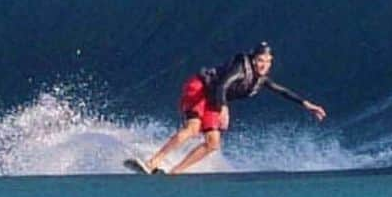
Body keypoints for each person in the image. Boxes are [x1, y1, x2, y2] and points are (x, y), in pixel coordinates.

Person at [138, 42, 327, 174]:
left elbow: (282, 91)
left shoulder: (260, 80)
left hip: (214, 100)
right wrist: (224, 109)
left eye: (267, 61)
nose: (264, 64)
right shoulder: (240, 67)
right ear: (253, 59)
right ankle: (153, 162)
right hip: (201, 88)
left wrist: (307, 104)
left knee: (213, 143)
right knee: (193, 128)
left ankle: (175, 172)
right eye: (260, 60)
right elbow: (222, 85)